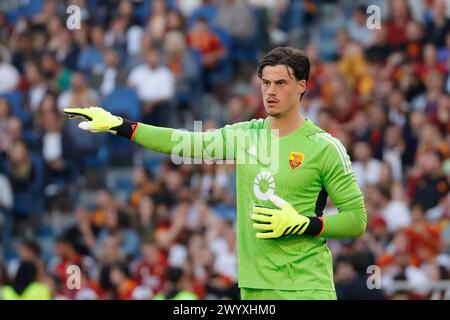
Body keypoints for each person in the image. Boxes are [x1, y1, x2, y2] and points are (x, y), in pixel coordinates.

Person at [64, 47, 367, 300]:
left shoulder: (324, 147)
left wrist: (305, 224)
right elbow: (182, 141)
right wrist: (119, 124)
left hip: (306, 287)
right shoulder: (245, 135)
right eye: (265, 83)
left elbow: (356, 219)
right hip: (254, 287)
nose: (270, 92)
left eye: (281, 83)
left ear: (302, 85)